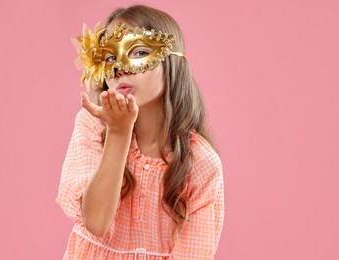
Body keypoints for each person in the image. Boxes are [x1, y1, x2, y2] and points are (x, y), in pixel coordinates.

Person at [55, 4, 224, 259]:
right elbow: (96, 223)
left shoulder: (200, 162)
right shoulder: (93, 126)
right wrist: (118, 133)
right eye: (110, 56)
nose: (120, 67)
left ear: (173, 63)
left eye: (139, 52)